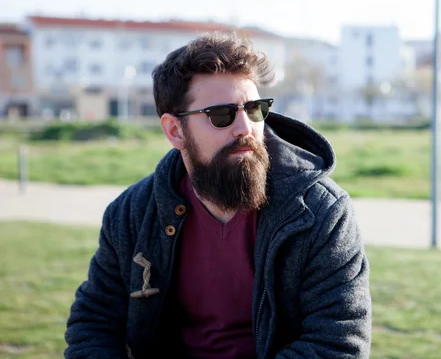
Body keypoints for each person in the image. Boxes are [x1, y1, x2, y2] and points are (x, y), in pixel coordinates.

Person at [64, 33, 372, 359]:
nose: (245, 128)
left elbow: (337, 343)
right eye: (222, 115)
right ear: (175, 130)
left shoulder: (320, 211)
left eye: (254, 109)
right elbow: (93, 324)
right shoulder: (132, 213)